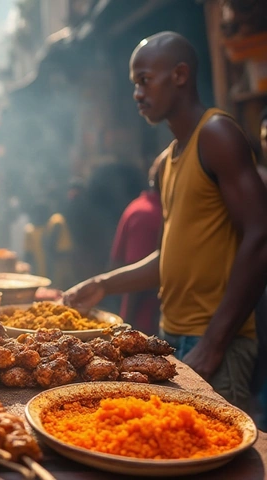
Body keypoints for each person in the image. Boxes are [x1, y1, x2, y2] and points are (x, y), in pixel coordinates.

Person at [65, 32, 267, 410]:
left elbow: (260, 238)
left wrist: (213, 344)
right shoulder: (167, 161)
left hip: (217, 341)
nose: (138, 93)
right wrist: (103, 284)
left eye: (145, 80)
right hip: (173, 336)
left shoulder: (217, 135)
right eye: (134, 84)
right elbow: (171, 257)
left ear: (179, 75)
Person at [109, 156, 164, 334]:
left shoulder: (147, 208)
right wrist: (128, 324)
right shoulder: (146, 213)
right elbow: (137, 274)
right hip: (143, 322)